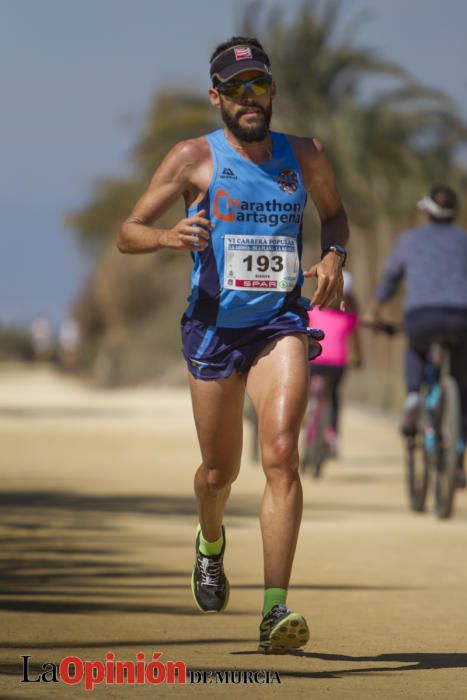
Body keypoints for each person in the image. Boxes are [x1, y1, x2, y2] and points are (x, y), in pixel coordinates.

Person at [117, 36, 348, 654]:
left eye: (261, 85)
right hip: (213, 326)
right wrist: (169, 237)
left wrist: (334, 254)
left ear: (273, 91)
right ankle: (210, 542)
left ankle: (276, 609)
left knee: (281, 454)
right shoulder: (193, 157)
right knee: (219, 472)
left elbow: (335, 215)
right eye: (237, 88)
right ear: (216, 96)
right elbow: (127, 232)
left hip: (280, 322)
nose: (251, 98)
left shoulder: (306, 154)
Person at [367, 185, 467, 487]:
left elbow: (390, 279)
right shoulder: (464, 240)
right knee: (462, 387)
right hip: (462, 316)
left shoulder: (409, 240)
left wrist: (374, 311)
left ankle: (412, 397)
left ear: (425, 211)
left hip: (421, 315)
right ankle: (459, 458)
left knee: (415, 345)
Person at [305, 271, 361, 459]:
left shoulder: (312, 310)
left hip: (315, 360)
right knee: (334, 395)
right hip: (337, 363)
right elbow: (356, 342)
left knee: (307, 391)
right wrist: (358, 357)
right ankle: (332, 434)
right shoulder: (349, 316)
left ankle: (307, 416)